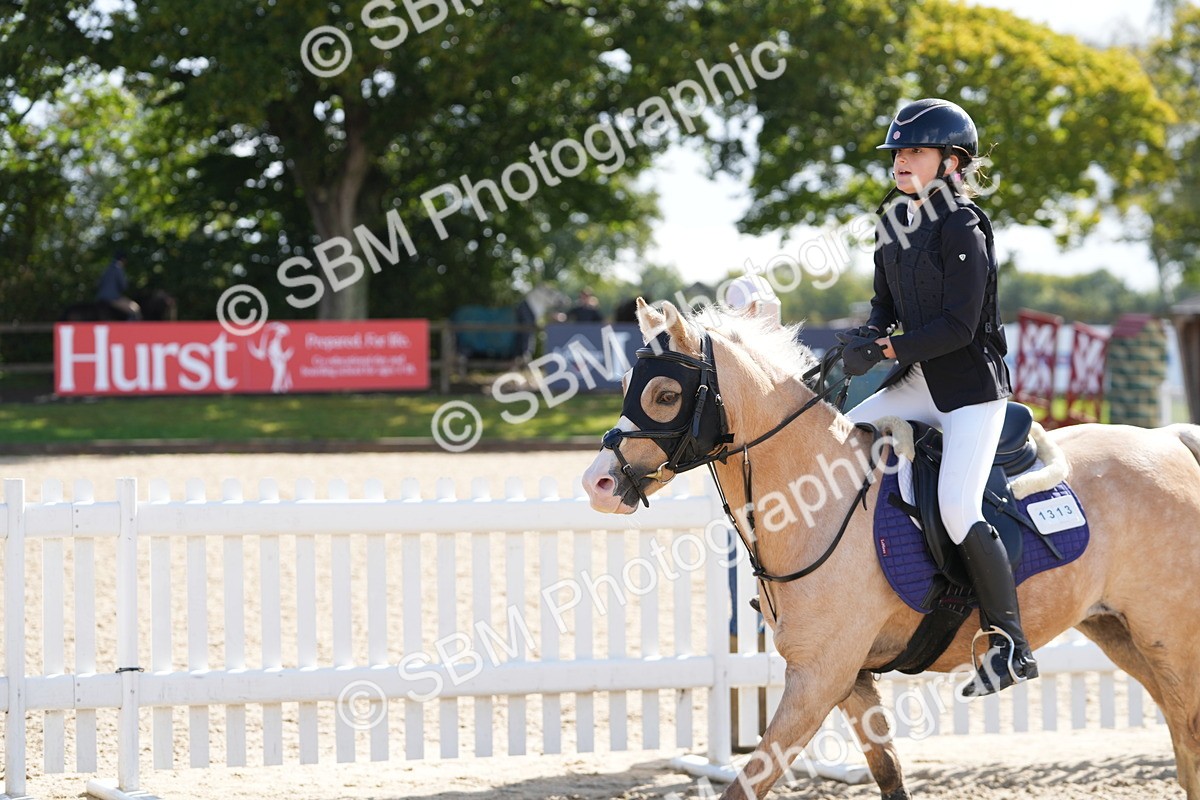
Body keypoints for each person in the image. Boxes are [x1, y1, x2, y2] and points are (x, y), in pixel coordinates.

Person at [838, 98, 1036, 697]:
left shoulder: (963, 226)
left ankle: (1011, 646)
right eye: (899, 151)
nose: (902, 161)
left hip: (970, 393)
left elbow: (958, 326)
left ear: (952, 162)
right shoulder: (892, 218)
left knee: (958, 507)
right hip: (917, 383)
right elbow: (884, 304)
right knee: (833, 443)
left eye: (915, 151)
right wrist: (871, 334)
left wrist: (890, 351)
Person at [94, 249, 141, 321]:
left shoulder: (107, 268)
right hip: (112, 298)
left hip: (100, 297)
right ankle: (131, 328)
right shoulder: (118, 268)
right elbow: (123, 286)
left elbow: (98, 283)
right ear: (123, 259)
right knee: (135, 309)